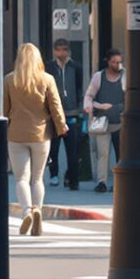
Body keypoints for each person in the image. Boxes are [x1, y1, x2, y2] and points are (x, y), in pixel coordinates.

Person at [3, 42, 67, 236]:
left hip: (15, 134)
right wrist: (62, 125)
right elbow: (55, 105)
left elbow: (4, 109)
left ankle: (25, 212)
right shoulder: (47, 79)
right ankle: (37, 209)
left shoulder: (10, 79)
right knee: (37, 178)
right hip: (40, 134)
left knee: (21, 177)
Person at [82, 49, 122, 193]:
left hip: (120, 121)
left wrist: (118, 107)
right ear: (108, 61)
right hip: (102, 121)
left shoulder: (125, 77)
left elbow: (130, 96)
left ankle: (119, 183)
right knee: (102, 152)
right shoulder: (99, 77)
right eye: (114, 62)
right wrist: (95, 106)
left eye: (119, 62)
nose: (117, 65)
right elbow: (89, 95)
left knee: (121, 154)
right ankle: (102, 181)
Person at [46, 39, 82, 188]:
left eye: (65, 49)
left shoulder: (76, 67)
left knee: (72, 149)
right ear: (54, 51)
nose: (62, 52)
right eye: (59, 49)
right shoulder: (49, 67)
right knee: (53, 147)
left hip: (71, 112)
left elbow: (79, 87)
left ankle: (72, 178)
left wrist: (78, 105)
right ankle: (54, 174)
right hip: (54, 114)